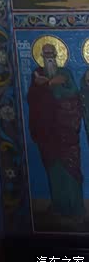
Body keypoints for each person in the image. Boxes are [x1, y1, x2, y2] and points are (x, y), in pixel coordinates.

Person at [28, 42, 86, 222]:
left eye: (51, 54)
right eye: (46, 54)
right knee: (53, 171)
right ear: (41, 57)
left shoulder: (65, 73)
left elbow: (74, 94)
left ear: (56, 55)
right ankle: (59, 206)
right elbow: (32, 99)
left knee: (71, 171)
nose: (49, 57)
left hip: (66, 132)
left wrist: (59, 85)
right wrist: (44, 85)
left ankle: (76, 208)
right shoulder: (37, 74)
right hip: (48, 133)